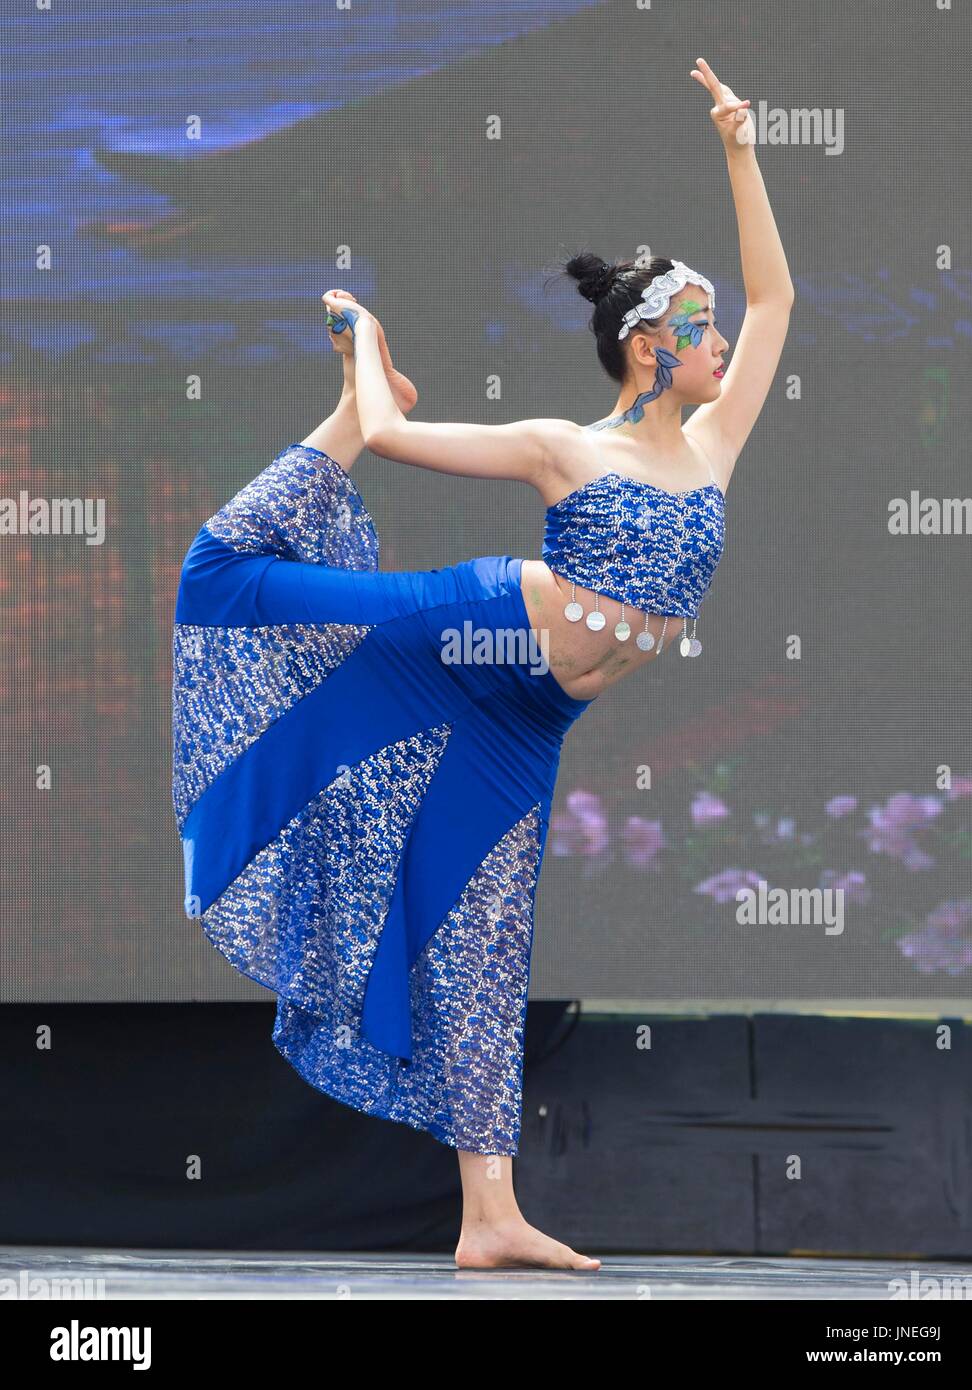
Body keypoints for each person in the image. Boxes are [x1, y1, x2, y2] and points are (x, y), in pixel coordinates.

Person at [171, 57, 793, 1271]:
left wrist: (738, 148)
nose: (720, 341)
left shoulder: (716, 442)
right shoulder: (563, 445)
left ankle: (487, 1216)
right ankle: (330, 417)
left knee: (482, 930)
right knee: (233, 583)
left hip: (531, 719)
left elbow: (775, 305)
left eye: (714, 327)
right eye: (697, 327)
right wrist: (367, 363)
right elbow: (404, 439)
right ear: (647, 347)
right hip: (483, 631)